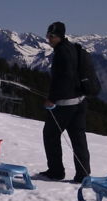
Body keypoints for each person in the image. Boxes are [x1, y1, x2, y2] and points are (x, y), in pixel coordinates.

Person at [38, 21, 91, 183]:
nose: (48, 39)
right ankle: (83, 175)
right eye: (47, 35)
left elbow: (63, 80)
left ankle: (56, 171)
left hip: (65, 104)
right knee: (78, 138)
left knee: (50, 134)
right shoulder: (73, 48)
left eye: (51, 36)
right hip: (80, 102)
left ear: (59, 36)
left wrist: (51, 99)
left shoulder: (61, 52)